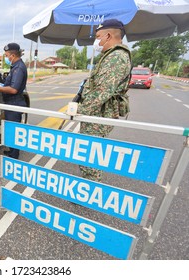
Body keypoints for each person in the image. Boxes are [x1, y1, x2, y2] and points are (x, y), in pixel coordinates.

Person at [78, 19, 132, 182]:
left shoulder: (116, 57)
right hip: (96, 114)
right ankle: (89, 185)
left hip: (97, 115)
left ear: (108, 36)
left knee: (89, 155)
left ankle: (89, 190)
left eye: (98, 36)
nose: (96, 41)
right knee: (89, 153)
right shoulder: (112, 55)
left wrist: (78, 112)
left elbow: (101, 92)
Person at [0, 43, 28, 159]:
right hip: (12, 102)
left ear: (13, 55)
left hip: (14, 102)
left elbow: (14, 89)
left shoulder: (18, 68)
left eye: (7, 55)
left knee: (13, 130)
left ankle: (14, 155)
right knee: (11, 129)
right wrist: (1, 84)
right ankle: (12, 151)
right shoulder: (15, 66)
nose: (6, 58)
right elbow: (10, 84)